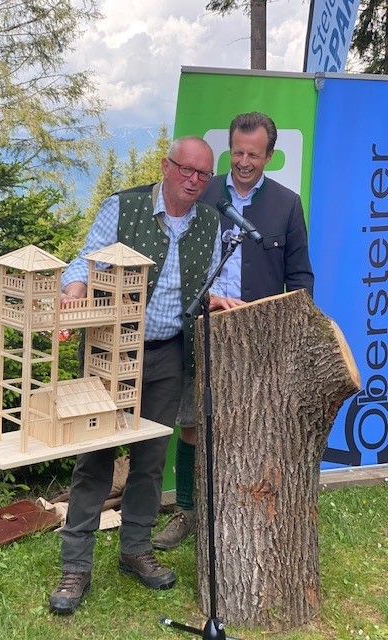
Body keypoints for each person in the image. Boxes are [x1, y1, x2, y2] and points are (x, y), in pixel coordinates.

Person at [49, 136, 235, 615]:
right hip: (111, 352)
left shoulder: (211, 222)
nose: (194, 180)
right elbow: (85, 259)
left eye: (203, 174)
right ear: (166, 166)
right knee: (96, 456)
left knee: (151, 458)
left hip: (170, 354)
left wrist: (219, 297)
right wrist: (75, 288)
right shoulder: (123, 206)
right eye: (186, 169)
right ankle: (76, 566)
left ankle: (135, 549)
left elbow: (219, 279)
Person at [152, 111, 315, 551]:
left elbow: (300, 275)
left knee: (254, 423)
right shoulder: (203, 192)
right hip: (200, 326)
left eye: (253, 155)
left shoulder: (286, 204)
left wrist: (296, 330)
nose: (243, 162)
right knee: (192, 420)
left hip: (258, 333)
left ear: (270, 156)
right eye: (237, 152)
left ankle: (245, 512)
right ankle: (187, 511)